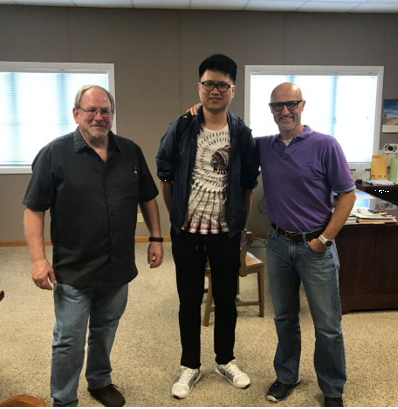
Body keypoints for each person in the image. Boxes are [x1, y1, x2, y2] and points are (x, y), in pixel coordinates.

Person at [23, 85, 163, 407]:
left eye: (105, 111)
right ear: (76, 114)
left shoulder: (130, 151)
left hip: (117, 265)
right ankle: (64, 400)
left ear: (112, 115)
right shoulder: (54, 154)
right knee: (68, 339)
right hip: (74, 268)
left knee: (106, 328)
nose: (99, 117)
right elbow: (34, 209)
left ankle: (99, 380)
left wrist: (156, 237)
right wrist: (37, 259)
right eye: (91, 110)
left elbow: (147, 197)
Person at [156, 54, 260, 399]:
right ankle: (190, 365)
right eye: (208, 84)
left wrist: (240, 227)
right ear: (199, 87)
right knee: (188, 302)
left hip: (225, 234)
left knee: (226, 301)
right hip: (187, 234)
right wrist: (176, 218)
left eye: (222, 85)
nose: (215, 91)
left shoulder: (242, 133)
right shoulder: (181, 127)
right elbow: (165, 175)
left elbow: (248, 186)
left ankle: (225, 360)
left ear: (233, 90)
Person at [258, 83, 356, 407]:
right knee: (284, 318)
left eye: (291, 104)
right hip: (277, 245)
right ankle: (287, 376)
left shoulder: (326, 145)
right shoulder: (264, 146)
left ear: (302, 105)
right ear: (271, 110)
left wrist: (325, 240)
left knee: (327, 325)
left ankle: (332, 389)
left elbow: (347, 195)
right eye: (278, 106)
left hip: (315, 247)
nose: (285, 111)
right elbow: (227, 138)